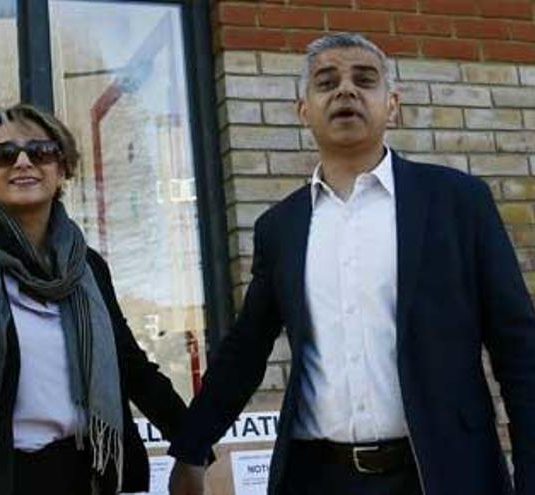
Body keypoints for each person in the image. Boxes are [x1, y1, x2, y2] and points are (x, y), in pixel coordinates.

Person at [168, 32, 535, 495]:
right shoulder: (280, 227)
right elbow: (245, 349)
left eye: (365, 80)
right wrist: (192, 448)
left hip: (443, 473)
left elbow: (519, 349)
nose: (346, 90)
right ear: (304, 111)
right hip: (317, 476)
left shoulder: (458, 203)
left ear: (392, 105)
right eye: (326, 82)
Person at [0, 103, 187, 495]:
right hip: (1, 480)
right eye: (4, 155)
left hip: (88, 475)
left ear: (62, 171)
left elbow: (130, 366)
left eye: (40, 152)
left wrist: (193, 443)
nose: (23, 162)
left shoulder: (87, 268)